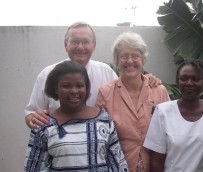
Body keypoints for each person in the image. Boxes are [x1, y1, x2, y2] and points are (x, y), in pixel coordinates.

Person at [22, 60, 134, 172]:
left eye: (80, 85)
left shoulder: (103, 121)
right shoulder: (44, 127)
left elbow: (118, 164)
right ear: (55, 89)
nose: (74, 91)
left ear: (87, 89)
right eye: (66, 86)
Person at [25, 21, 161, 129]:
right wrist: (32, 118)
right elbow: (31, 114)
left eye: (85, 42)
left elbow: (127, 88)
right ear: (66, 45)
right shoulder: (47, 74)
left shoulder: (106, 72)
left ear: (93, 46)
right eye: (74, 42)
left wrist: (147, 80)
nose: (80, 47)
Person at [96, 31, 170, 172]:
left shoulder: (158, 89)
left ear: (143, 59)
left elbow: (170, 128)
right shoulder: (106, 93)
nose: (130, 61)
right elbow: (100, 137)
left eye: (135, 56)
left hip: (154, 169)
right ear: (116, 61)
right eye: (124, 56)